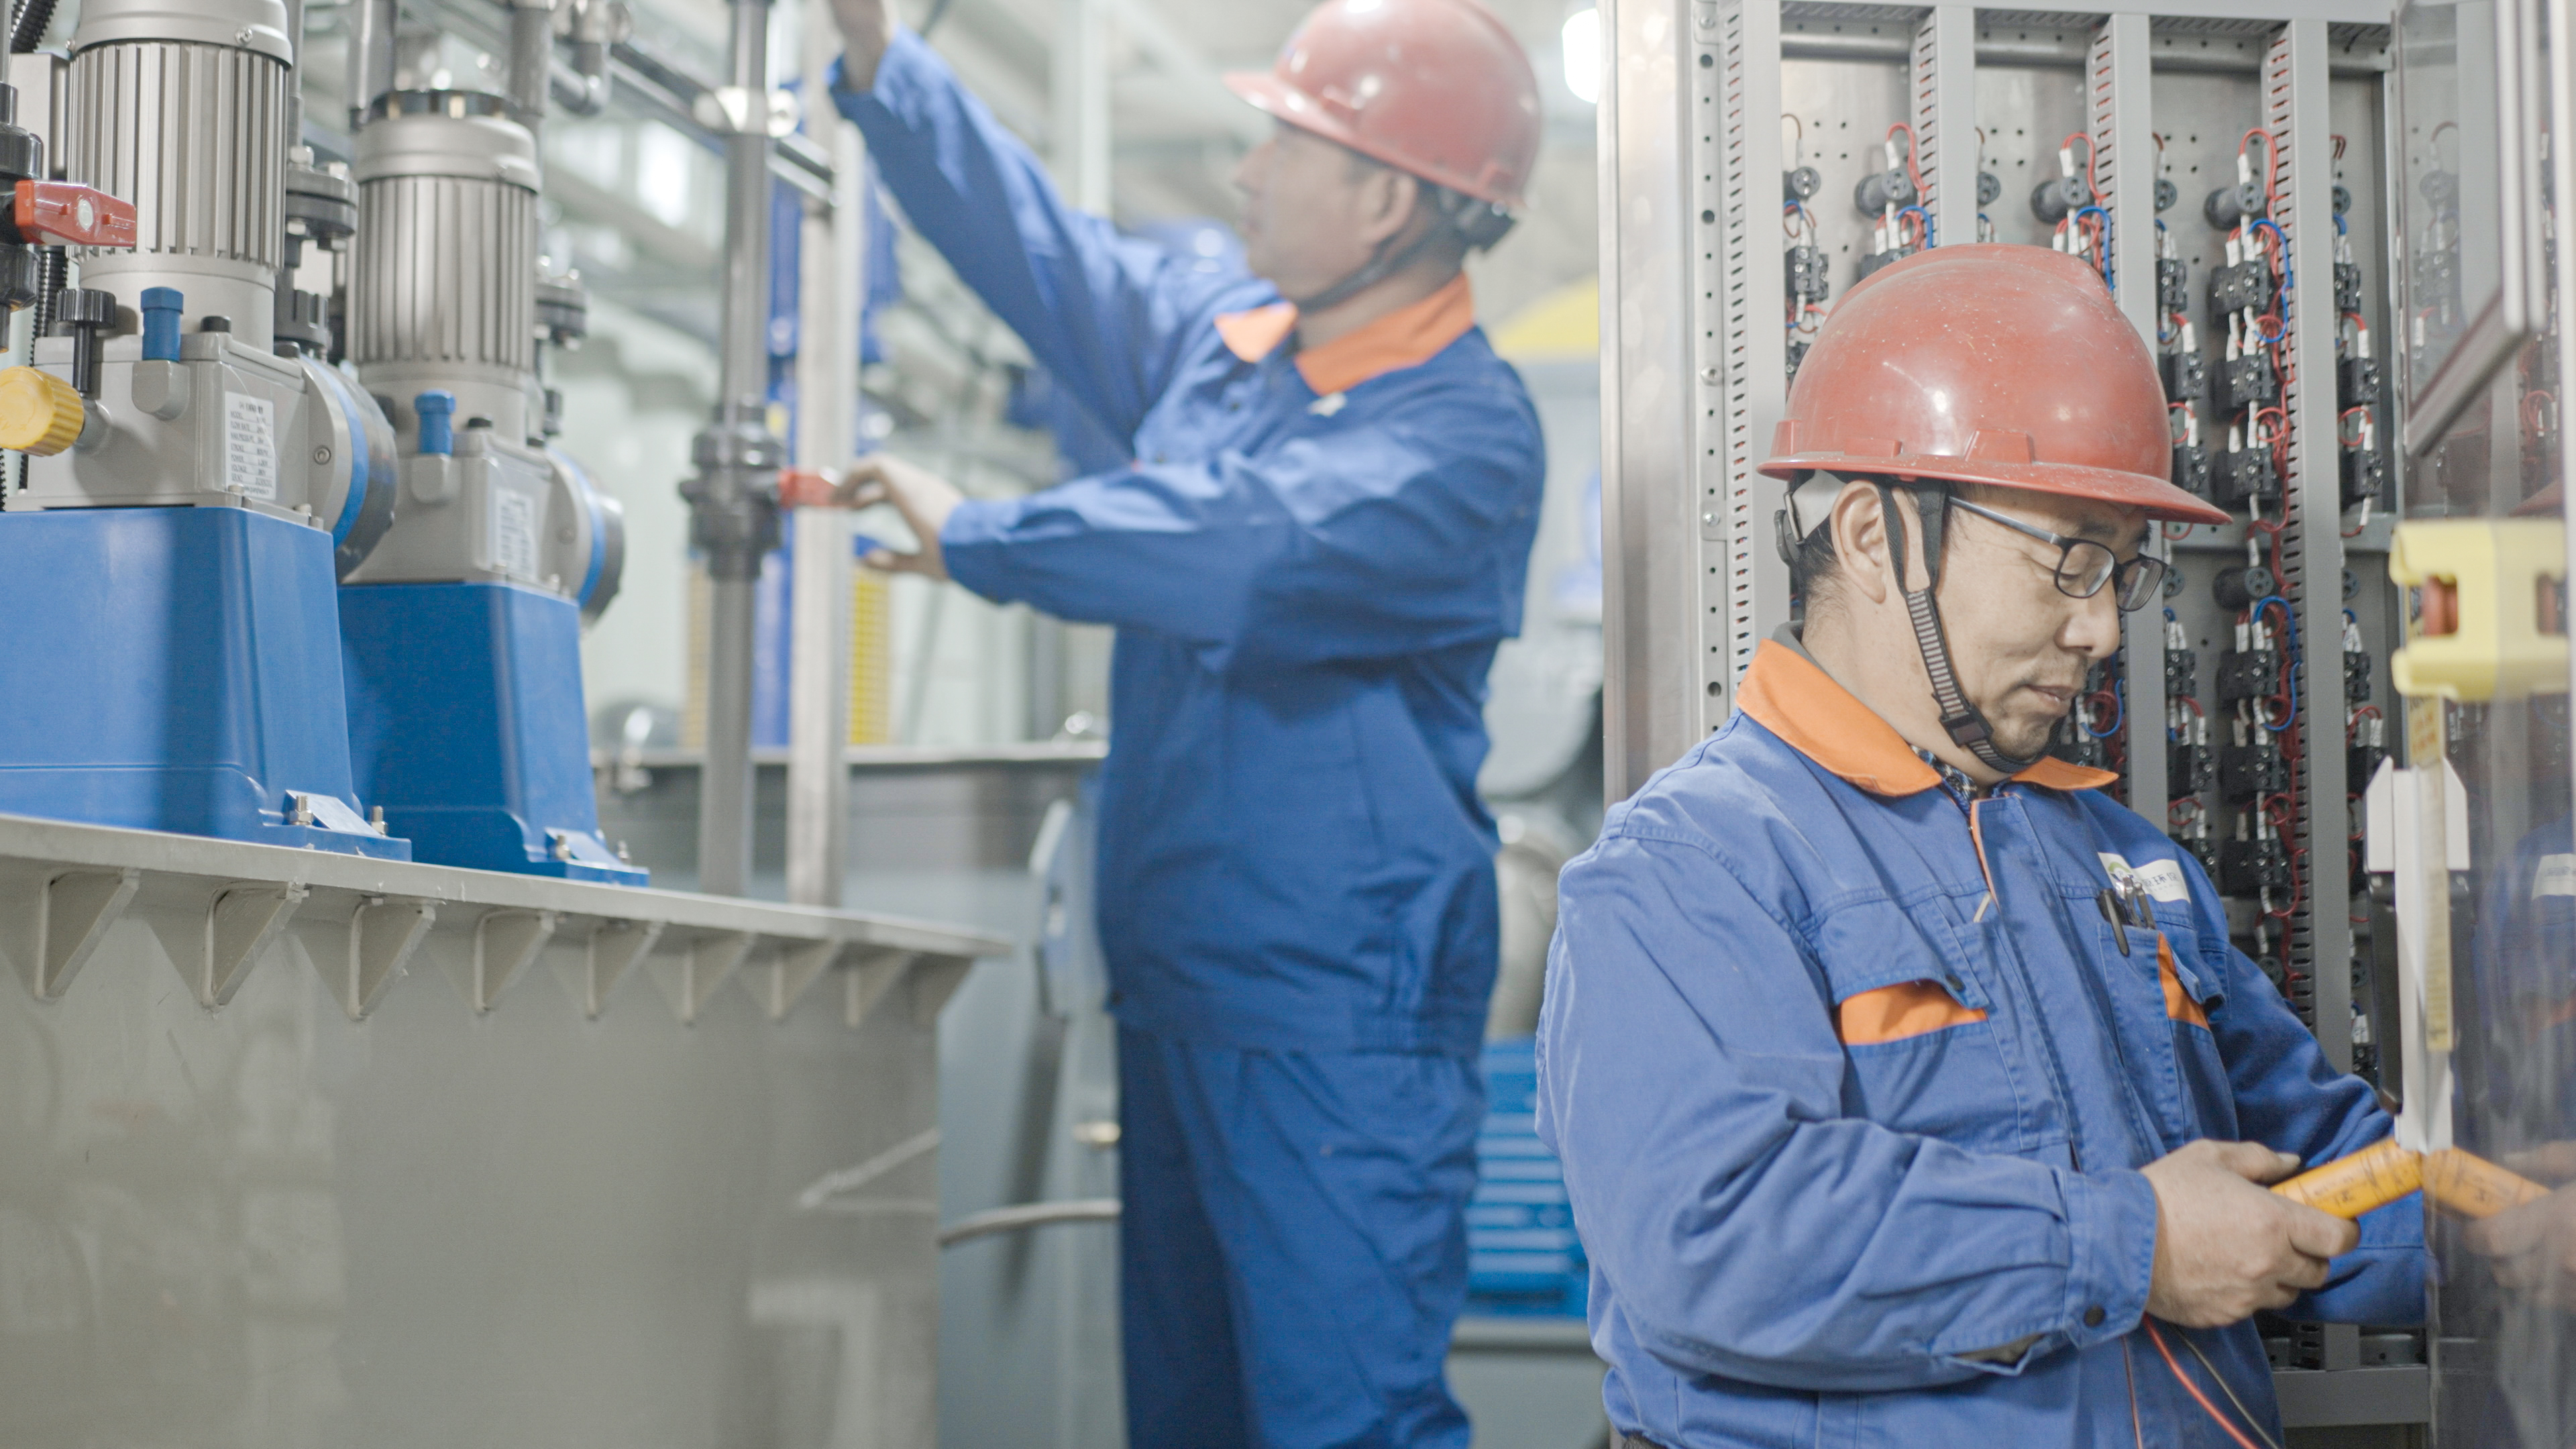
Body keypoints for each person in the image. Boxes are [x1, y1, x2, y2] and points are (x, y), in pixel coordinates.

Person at [1537, 245, 2426, 1447]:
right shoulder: (1693, 871)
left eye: (2122, 571)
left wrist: (2508, 1226)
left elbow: (2316, 1170)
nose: (2102, 627)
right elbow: (1719, 1238)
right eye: (2070, 559)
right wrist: (2135, 1247)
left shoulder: (2121, 865)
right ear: (1873, 536)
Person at [816, 1, 1546, 1444]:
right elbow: (1048, 254)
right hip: (1177, 990)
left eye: (1286, 144)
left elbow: (1244, 545)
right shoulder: (1228, 347)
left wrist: (983, 534)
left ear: (1387, 200)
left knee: (1344, 1424)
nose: (1245, 173)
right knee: (1189, 1419)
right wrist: (888, 66)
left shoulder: (1462, 437)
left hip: (1336, 1021)